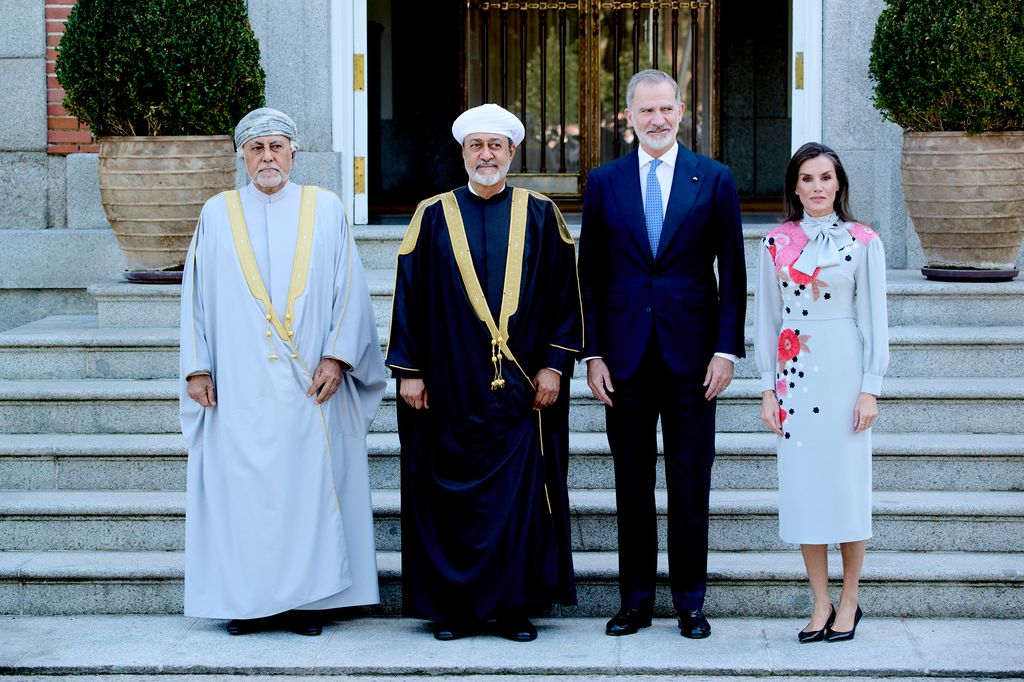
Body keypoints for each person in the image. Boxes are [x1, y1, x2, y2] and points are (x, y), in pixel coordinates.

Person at [179, 108, 386, 636]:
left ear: (294, 153)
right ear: (242, 157)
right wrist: (197, 368)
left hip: (310, 385)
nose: (267, 157)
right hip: (239, 385)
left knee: (306, 492)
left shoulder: (326, 208)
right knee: (245, 494)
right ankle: (250, 604)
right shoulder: (217, 213)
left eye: (276, 147)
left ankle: (306, 604)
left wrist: (338, 356)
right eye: (256, 148)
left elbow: (349, 289)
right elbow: (194, 298)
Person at [386, 103, 582, 643]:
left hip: (524, 390)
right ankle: (456, 609)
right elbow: (408, 296)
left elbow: (566, 296)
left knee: (519, 501)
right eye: (477, 145)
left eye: (496, 145)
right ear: (463, 154)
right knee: (453, 500)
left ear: (512, 152)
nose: (486, 154)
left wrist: (555, 366)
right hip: (448, 386)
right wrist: (409, 371)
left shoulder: (542, 214)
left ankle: (514, 608)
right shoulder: (432, 214)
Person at [578, 70, 746, 639]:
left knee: (690, 484)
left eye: (666, 109)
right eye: (646, 110)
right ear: (629, 117)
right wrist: (593, 354)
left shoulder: (714, 178)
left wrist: (726, 350)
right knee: (631, 486)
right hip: (623, 360)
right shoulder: (604, 182)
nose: (657, 119)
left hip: (695, 361)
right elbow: (590, 274)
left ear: (681, 111)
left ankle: (689, 603)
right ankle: (635, 602)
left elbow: (734, 272)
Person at [754, 142, 889, 643]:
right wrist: (767, 389)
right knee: (805, 490)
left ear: (839, 184)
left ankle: (850, 599)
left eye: (826, 177)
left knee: (848, 488)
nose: (817, 187)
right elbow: (765, 319)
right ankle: (820, 602)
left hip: (845, 372)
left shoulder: (864, 240)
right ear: (795, 186)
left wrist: (870, 388)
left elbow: (874, 319)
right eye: (807, 178)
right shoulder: (773, 242)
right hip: (794, 376)